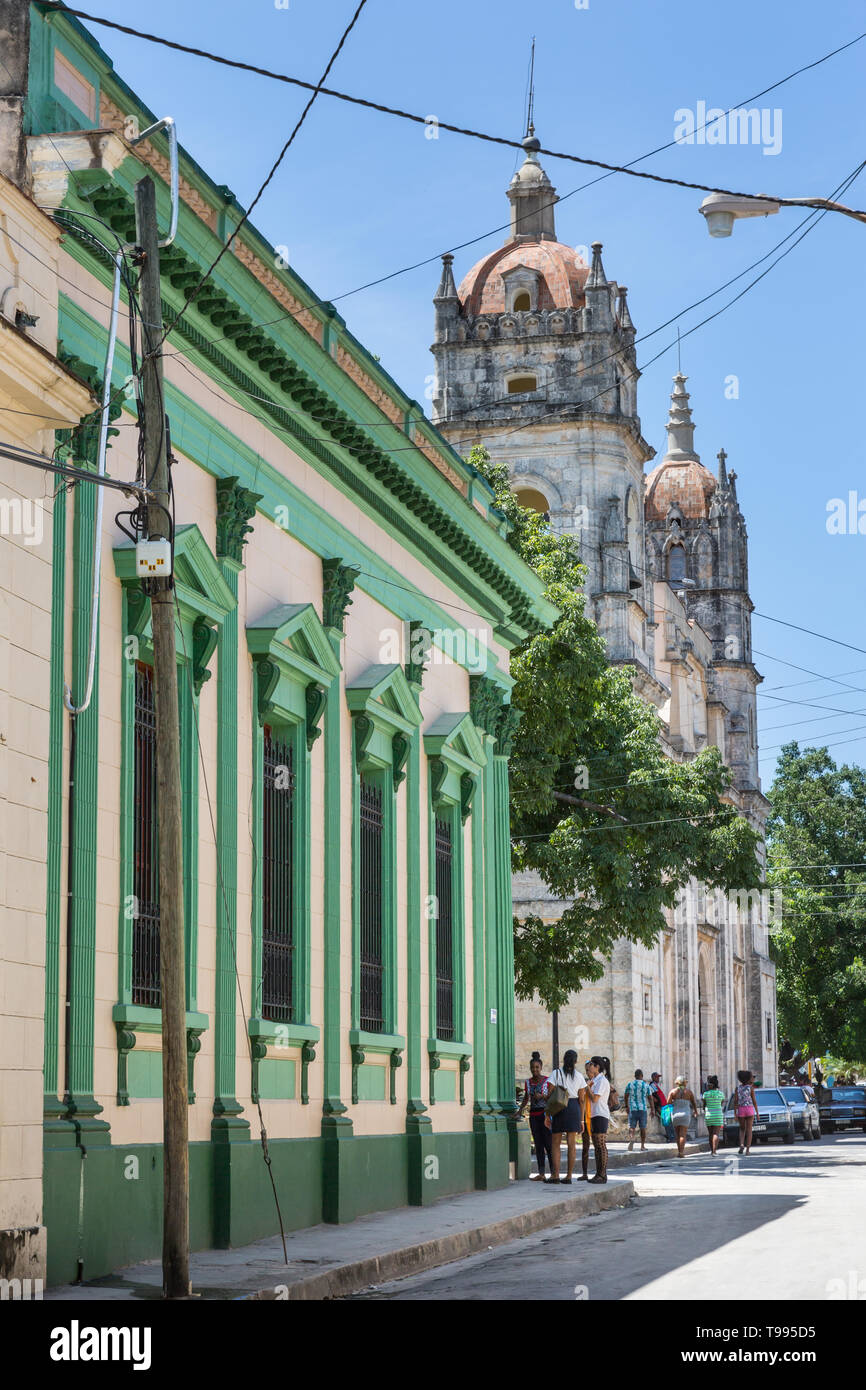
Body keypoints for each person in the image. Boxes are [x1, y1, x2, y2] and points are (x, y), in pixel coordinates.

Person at [544, 1049, 587, 1184]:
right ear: (575, 1061)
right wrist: (582, 1120)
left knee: (555, 1144)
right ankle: (568, 1176)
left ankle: (555, 1175)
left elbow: (549, 1094)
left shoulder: (556, 1073)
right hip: (574, 1108)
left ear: (563, 1059)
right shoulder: (579, 1076)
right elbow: (582, 1099)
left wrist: (547, 1114)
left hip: (559, 1108)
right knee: (571, 1144)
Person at [517, 1052, 552, 1180]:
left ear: (541, 1067)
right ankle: (541, 1173)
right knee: (538, 1145)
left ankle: (554, 1172)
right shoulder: (528, 1082)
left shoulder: (547, 1081)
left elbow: (552, 1098)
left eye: (537, 1067)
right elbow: (526, 1098)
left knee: (548, 1144)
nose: (534, 1070)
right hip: (533, 1116)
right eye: (532, 1067)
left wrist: (542, 1096)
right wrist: (520, 1110)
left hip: (545, 1115)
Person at [587, 1056, 613, 1184]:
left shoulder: (601, 1080)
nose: (589, 1066)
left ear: (597, 1066)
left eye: (591, 1064)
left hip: (600, 1114)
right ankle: (599, 1173)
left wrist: (587, 1087)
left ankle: (602, 1174)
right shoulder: (595, 1080)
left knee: (601, 1144)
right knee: (597, 1146)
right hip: (594, 1114)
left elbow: (595, 1098)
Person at [667, 1076, 698, 1158]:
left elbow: (668, 1102)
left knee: (677, 1135)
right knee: (683, 1135)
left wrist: (674, 1101)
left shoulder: (673, 1092)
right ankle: (681, 1152)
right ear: (685, 1082)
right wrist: (695, 1111)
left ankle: (679, 1151)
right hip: (686, 1115)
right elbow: (694, 1103)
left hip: (675, 1114)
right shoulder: (689, 1092)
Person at [624, 1069, 652, 1151]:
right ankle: (642, 1146)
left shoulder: (630, 1084)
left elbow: (626, 1096)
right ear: (642, 1076)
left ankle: (631, 1139)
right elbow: (650, 1098)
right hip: (643, 1109)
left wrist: (627, 1106)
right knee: (642, 1127)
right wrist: (653, 1109)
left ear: (635, 1076)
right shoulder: (646, 1085)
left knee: (632, 1126)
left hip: (633, 1108)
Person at [576, 1060, 594, 1181]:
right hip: (585, 1117)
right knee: (585, 1146)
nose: (588, 1072)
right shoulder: (584, 1083)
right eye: (586, 1070)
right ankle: (585, 1173)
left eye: (590, 1070)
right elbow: (581, 1100)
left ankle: (600, 1172)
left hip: (595, 1117)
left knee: (599, 1146)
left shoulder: (598, 1082)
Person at [735, 1069, 758, 1155]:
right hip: (750, 1109)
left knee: (742, 1129)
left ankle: (741, 1144)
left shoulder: (737, 1088)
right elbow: (754, 1101)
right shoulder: (750, 1088)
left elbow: (735, 1101)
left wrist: (735, 1113)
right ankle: (748, 1150)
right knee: (749, 1130)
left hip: (741, 1109)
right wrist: (757, 1113)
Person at [702, 1074, 725, 1155]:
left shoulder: (705, 1094)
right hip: (718, 1115)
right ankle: (714, 1152)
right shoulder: (721, 1094)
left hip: (708, 1115)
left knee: (710, 1134)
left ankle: (711, 1150)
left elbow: (704, 1105)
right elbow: (721, 1103)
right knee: (716, 1133)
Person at [650, 1072, 675, 1142]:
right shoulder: (652, 1085)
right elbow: (650, 1095)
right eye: (657, 1077)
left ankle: (671, 1136)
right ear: (653, 1078)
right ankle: (671, 1137)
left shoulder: (655, 1085)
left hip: (664, 1105)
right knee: (667, 1121)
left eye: (658, 1077)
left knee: (668, 1121)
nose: (658, 1078)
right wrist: (656, 1101)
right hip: (660, 1106)